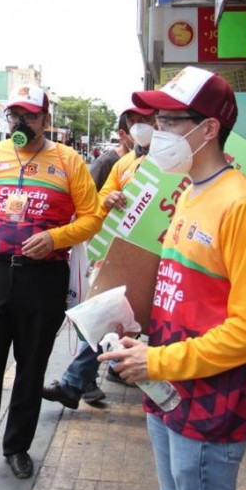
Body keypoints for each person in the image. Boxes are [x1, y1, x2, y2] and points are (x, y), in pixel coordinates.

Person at [99, 66, 246, 490]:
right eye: (156, 122)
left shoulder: (243, 206)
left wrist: (157, 362)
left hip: (210, 404)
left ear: (209, 129)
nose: (157, 133)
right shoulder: (187, 194)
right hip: (166, 392)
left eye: (170, 121)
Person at [0, 85, 102, 490]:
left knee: (31, 369)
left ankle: (17, 447)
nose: (20, 122)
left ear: (46, 121)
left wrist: (56, 238)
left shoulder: (68, 161)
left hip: (43, 279)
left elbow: (92, 218)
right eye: (14, 114)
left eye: (29, 115)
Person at [43, 106, 153, 409]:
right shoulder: (124, 164)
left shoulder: (177, 164)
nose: (141, 127)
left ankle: (158, 386)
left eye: (148, 120)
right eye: (134, 122)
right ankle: (76, 382)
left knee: (156, 325)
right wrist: (109, 199)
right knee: (106, 312)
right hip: (126, 253)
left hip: (167, 257)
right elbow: (97, 203)